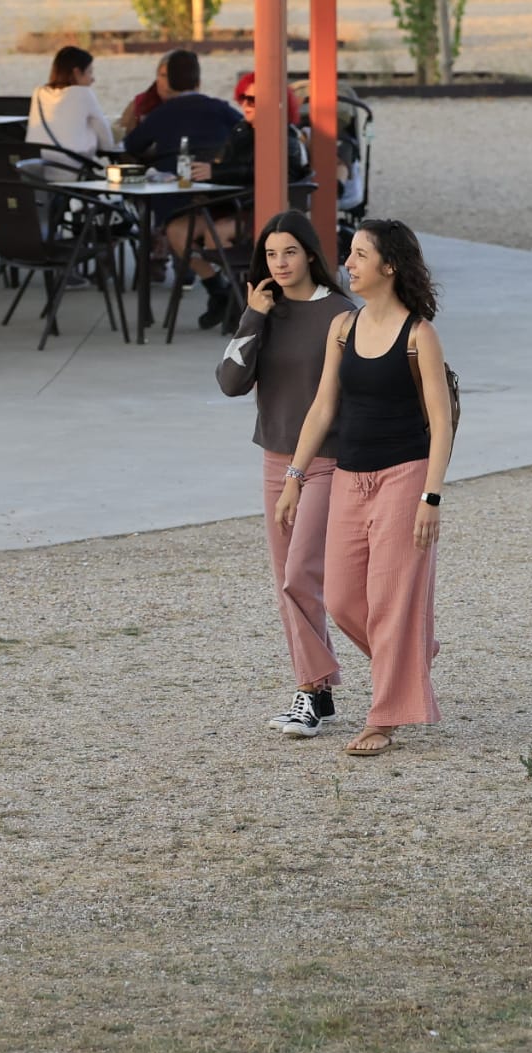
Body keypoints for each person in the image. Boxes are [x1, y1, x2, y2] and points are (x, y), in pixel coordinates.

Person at [276, 220, 452, 754]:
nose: (348, 264)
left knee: (390, 600)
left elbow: (441, 423)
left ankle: (384, 718)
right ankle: (411, 653)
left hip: (405, 476)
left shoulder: (420, 335)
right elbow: (323, 407)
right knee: (344, 598)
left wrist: (431, 497)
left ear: (389, 266)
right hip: (349, 477)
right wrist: (295, 476)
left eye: (359, 255)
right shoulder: (343, 328)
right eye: (349, 254)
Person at [216, 210, 357, 738]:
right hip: (275, 460)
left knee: (301, 575)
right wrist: (252, 317)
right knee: (287, 582)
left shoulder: (341, 313)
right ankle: (317, 692)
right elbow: (230, 382)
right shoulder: (264, 311)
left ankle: (310, 691)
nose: (280, 263)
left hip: (326, 461)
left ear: (310, 254)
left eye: (290, 252)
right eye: (271, 254)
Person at [164, 72, 310, 331]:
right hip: (229, 205)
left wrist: (215, 173)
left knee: (215, 235)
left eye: (252, 100)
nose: (244, 105)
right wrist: (206, 178)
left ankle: (238, 299)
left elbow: (265, 173)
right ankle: (218, 291)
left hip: (259, 211)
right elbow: (228, 166)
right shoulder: (242, 130)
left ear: (275, 104)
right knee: (176, 231)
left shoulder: (286, 138)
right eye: (242, 97)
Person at [122, 49, 240, 174]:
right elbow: (247, 130)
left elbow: (131, 145)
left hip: (174, 178)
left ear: (170, 83)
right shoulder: (221, 108)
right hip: (216, 177)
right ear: (198, 82)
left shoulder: (161, 113)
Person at [27, 46, 115, 180]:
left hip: (36, 172)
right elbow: (107, 142)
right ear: (77, 72)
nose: (93, 79)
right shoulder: (83, 94)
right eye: (90, 72)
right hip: (71, 172)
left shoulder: (38, 93)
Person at [117, 52, 173, 137]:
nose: (168, 81)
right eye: (163, 75)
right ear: (157, 77)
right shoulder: (139, 104)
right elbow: (123, 136)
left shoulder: (190, 105)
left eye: (173, 77)